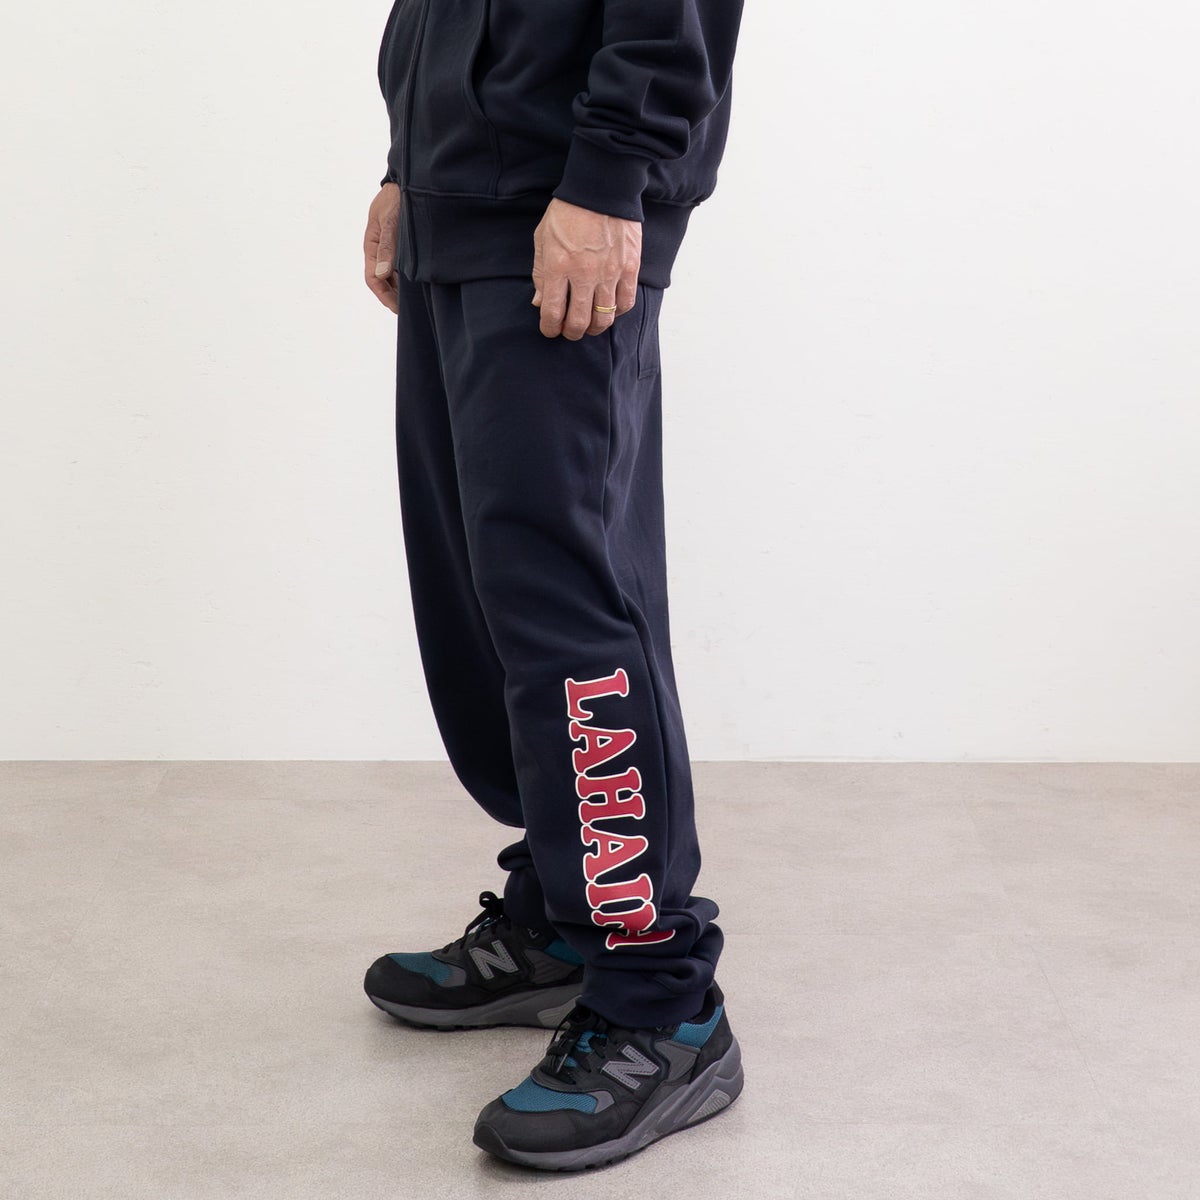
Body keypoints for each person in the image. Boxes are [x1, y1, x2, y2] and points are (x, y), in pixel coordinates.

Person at [360, 0, 746, 1171]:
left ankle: (660, 997)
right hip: (464, 193)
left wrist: (608, 176)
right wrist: (406, 165)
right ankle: (564, 917)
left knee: (562, 604)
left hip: (561, 199)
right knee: (482, 593)